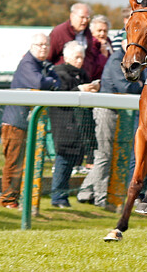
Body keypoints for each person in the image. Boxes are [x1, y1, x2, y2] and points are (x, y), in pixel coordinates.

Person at [76, 34, 144, 209]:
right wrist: (143, 84)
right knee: (104, 155)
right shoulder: (116, 60)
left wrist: (142, 83)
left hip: (119, 112)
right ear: (123, 42)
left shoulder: (136, 59)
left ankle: (86, 191)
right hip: (106, 110)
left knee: (109, 155)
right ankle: (98, 197)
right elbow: (127, 86)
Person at [0, 33, 60, 209]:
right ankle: (8, 200)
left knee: (24, 163)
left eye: (46, 45)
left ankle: (16, 199)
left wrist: (50, 81)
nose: (43, 48)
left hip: (27, 122)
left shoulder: (42, 65)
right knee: (13, 163)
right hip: (15, 122)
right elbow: (39, 83)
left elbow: (58, 81)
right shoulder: (28, 63)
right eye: (40, 45)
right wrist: (51, 81)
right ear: (32, 46)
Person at [50, 41, 100, 207]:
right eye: (77, 57)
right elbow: (59, 97)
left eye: (82, 58)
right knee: (63, 161)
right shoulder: (58, 73)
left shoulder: (83, 73)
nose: (80, 61)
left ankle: (62, 196)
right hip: (63, 124)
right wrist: (80, 90)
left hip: (79, 125)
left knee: (70, 162)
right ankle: (57, 197)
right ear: (67, 57)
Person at [48, 3, 104, 81]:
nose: (85, 21)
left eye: (87, 18)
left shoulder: (88, 34)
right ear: (72, 16)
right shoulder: (59, 32)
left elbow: (89, 56)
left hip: (82, 78)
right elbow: (48, 57)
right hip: (63, 80)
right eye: (82, 17)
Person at [87, 15, 112, 79]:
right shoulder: (89, 46)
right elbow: (92, 71)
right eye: (99, 30)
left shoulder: (108, 43)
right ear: (92, 31)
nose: (102, 34)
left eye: (105, 31)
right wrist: (103, 56)